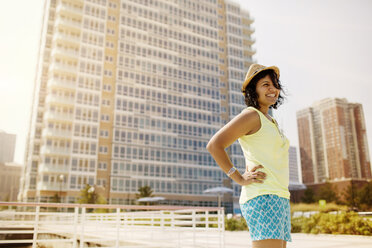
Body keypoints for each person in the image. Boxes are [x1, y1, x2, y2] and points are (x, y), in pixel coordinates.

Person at [206, 64, 291, 248]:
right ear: (254, 90)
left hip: (279, 196)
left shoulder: (271, 120)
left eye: (275, 84)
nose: (272, 89)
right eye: (265, 84)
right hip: (263, 197)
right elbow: (215, 145)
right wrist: (238, 177)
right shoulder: (252, 116)